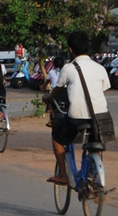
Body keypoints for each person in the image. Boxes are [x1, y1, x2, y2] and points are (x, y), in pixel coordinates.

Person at [46, 31, 111, 185]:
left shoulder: (68, 68)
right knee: (96, 141)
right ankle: (95, 177)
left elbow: (57, 89)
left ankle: (63, 175)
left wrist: (49, 98)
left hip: (77, 117)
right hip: (101, 116)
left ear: (70, 49)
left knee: (57, 136)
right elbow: (102, 89)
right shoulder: (99, 68)